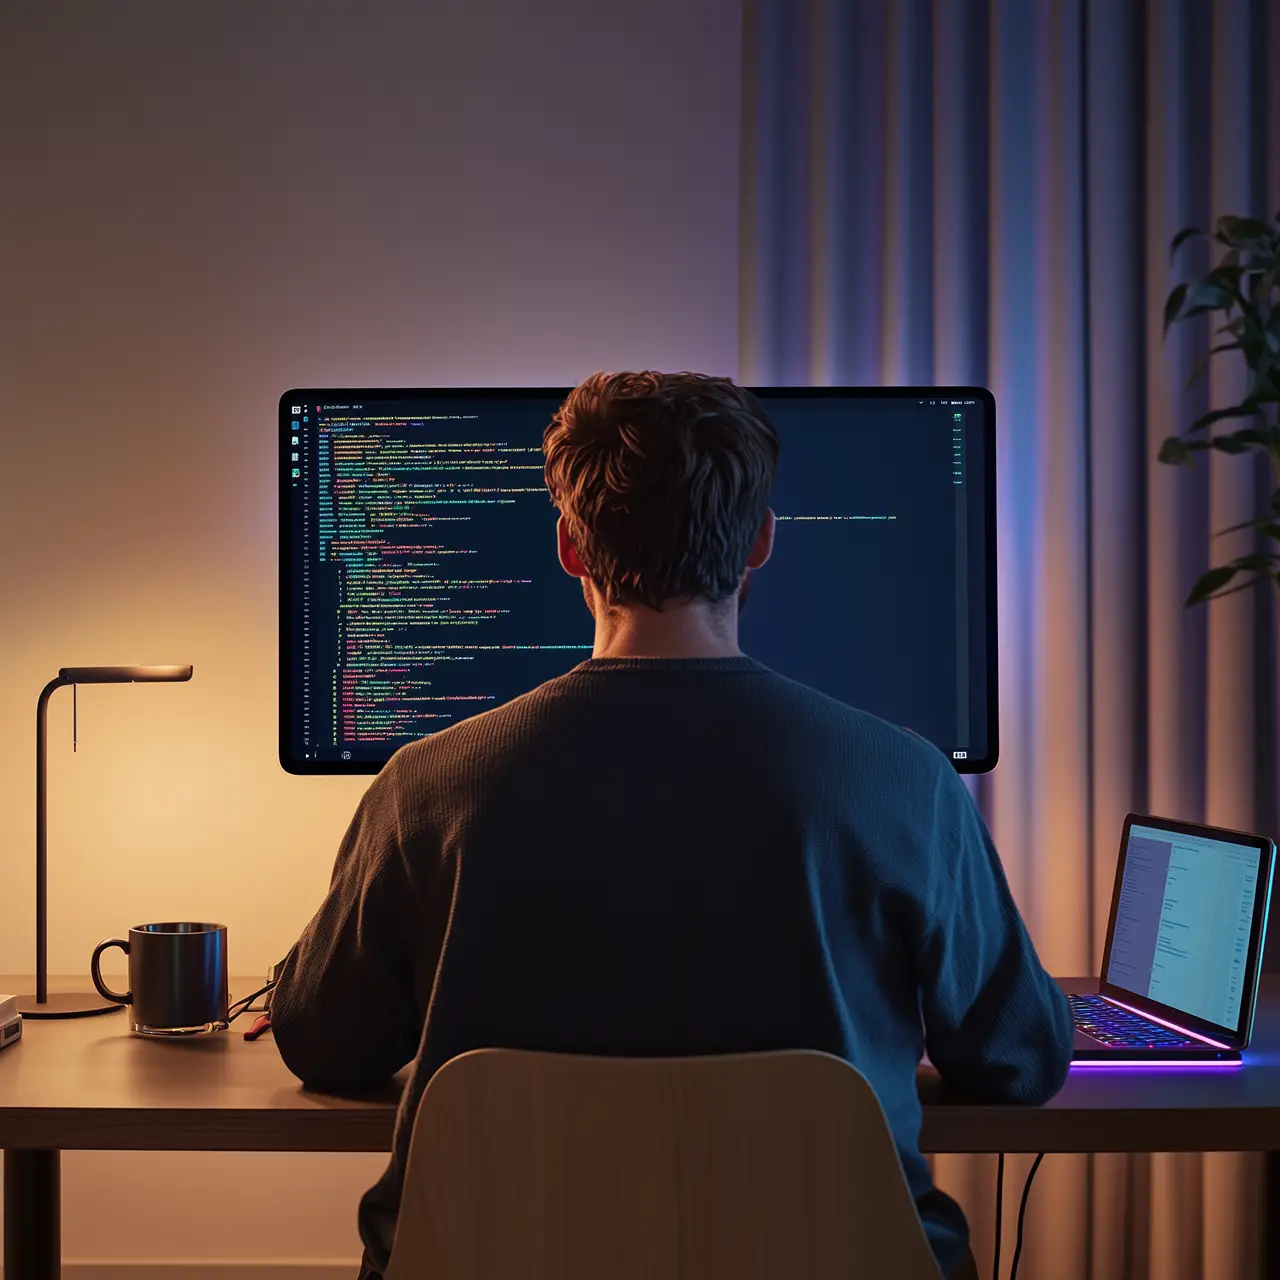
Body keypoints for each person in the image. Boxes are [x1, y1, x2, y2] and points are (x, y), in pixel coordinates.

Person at [269, 370, 1073, 1280]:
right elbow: (1021, 1056)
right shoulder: (907, 781)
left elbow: (325, 1044)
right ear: (763, 540)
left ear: (570, 545)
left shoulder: (426, 785)